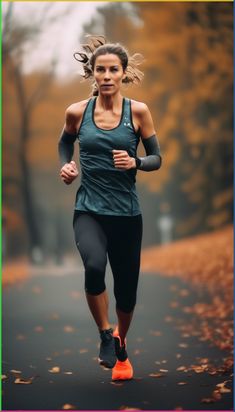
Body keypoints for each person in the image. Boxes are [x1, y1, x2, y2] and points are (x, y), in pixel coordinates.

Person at [58, 35, 162, 381]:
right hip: (89, 209)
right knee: (93, 265)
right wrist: (68, 165)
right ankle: (105, 334)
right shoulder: (77, 111)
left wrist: (135, 163)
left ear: (123, 73)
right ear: (92, 73)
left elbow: (157, 158)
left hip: (127, 215)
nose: (105, 75)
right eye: (100, 69)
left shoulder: (139, 111)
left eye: (112, 70)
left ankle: (120, 342)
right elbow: (65, 142)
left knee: (127, 292)